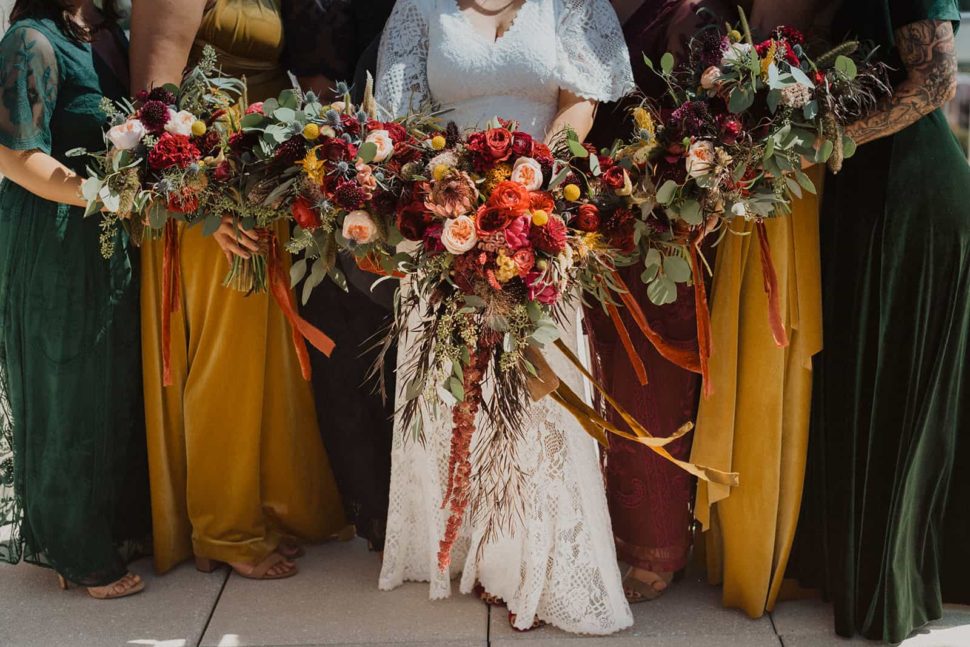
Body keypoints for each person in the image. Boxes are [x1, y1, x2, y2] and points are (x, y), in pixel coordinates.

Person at [375, 0, 636, 634]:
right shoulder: (418, 9)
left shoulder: (571, 5)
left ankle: (528, 558)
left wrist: (531, 190)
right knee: (449, 381)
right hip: (444, 221)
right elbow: (398, 119)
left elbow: (581, 105)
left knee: (535, 386)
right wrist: (443, 198)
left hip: (541, 218)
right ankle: (459, 544)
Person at [129, 0, 346, 580]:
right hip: (210, 193)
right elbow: (153, 106)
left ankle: (260, 504)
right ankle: (223, 528)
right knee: (224, 358)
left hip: (259, 177)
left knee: (262, 359)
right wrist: (201, 206)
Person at [788, 0, 969, 641]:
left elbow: (938, 80)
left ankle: (888, 583)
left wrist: (833, 138)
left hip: (911, 192)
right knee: (856, 377)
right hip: (856, 192)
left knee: (890, 383)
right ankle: (851, 567)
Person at [0, 0, 150, 599]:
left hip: (108, 234)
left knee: (109, 379)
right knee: (65, 383)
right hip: (55, 238)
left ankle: (110, 525)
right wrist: (100, 194)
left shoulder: (109, 34)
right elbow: (15, 157)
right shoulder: (30, 41)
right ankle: (73, 546)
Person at [586, 0, 729, 603]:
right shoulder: (577, 7)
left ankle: (657, 546)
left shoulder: (691, 12)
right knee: (600, 377)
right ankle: (600, 532)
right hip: (585, 209)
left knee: (655, 384)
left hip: (660, 220)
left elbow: (712, 117)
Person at [280, 0, 398, 554]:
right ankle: (373, 508)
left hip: (407, 144)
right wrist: (340, 155)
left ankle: (411, 499)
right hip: (330, 156)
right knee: (345, 335)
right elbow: (311, 74)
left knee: (399, 338)